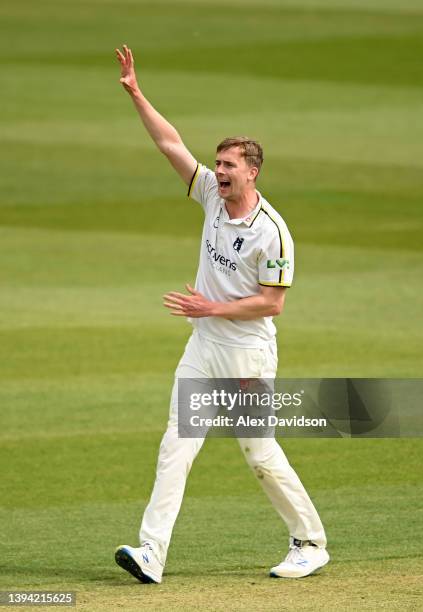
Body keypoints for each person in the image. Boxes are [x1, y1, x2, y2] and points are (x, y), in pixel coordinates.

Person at [114, 45, 329, 584]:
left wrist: (213, 306)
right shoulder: (210, 192)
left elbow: (273, 301)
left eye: (229, 164)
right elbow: (170, 144)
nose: (218, 170)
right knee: (175, 449)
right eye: (218, 162)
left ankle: (310, 541)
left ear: (252, 172)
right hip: (203, 347)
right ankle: (151, 554)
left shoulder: (272, 231)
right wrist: (138, 93)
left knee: (259, 453)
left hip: (246, 353)